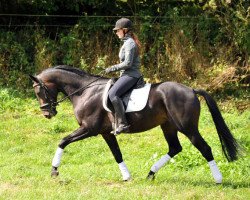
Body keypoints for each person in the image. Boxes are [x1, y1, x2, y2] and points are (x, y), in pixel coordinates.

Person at [105, 18, 142, 135]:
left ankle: (123, 124)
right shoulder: (127, 42)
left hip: (131, 75)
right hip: (126, 74)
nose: (116, 33)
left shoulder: (130, 43)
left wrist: (112, 68)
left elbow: (127, 64)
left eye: (117, 30)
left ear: (125, 30)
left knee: (112, 94)